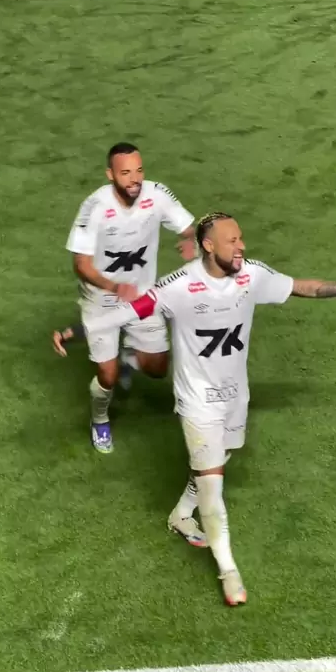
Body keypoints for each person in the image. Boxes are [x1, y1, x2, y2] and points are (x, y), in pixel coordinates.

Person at [85, 212, 336, 606]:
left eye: (241, 238)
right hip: (197, 400)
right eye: (232, 240)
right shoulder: (181, 285)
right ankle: (228, 570)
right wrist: (81, 330)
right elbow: (134, 309)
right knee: (213, 485)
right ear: (209, 246)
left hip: (234, 395)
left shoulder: (251, 275)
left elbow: (301, 287)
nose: (241, 245)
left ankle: (180, 514)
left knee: (221, 458)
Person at [65, 141, 196, 454]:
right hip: (102, 299)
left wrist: (190, 240)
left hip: (141, 296)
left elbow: (189, 227)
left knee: (158, 368)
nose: (135, 178)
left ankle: (127, 358)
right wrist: (113, 287)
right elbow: (81, 265)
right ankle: (100, 420)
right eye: (125, 173)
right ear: (110, 174)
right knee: (107, 376)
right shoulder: (94, 207)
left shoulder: (157, 194)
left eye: (139, 170)